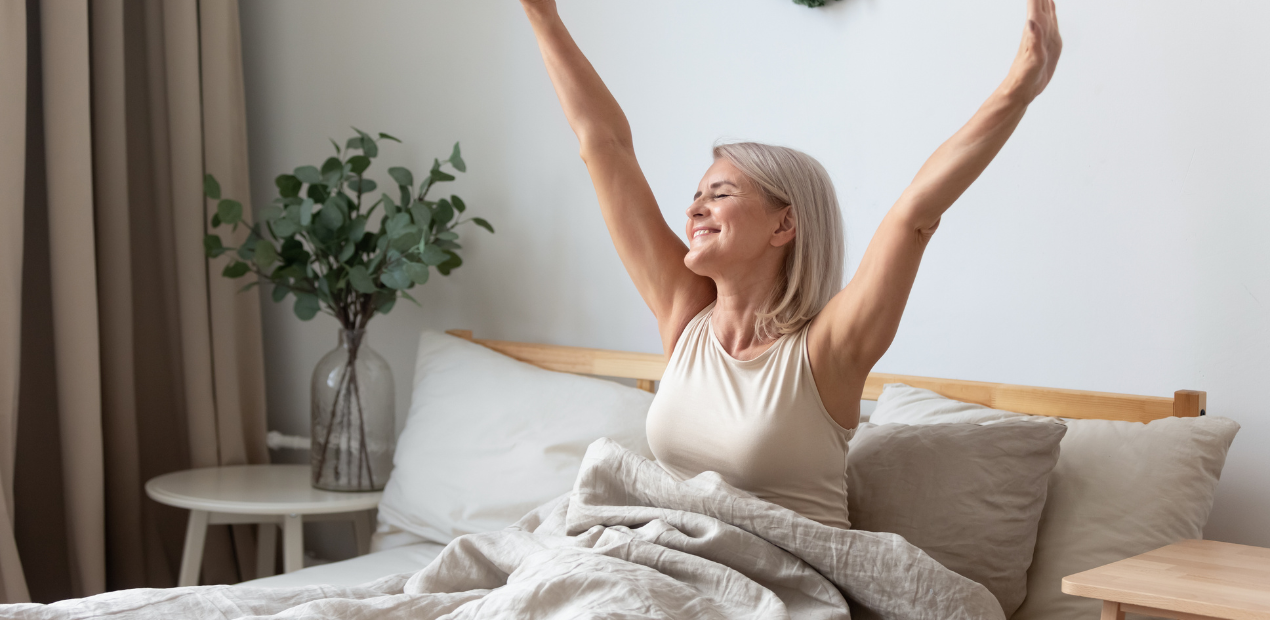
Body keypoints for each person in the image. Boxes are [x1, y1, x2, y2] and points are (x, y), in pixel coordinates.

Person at [519, 0, 1061, 528]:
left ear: (784, 225)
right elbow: (605, 145)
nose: (693, 209)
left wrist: (1018, 89)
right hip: (667, 563)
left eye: (721, 194)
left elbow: (914, 216)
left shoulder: (828, 350)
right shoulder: (684, 317)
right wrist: (543, 16)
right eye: (697, 194)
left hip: (784, 584)